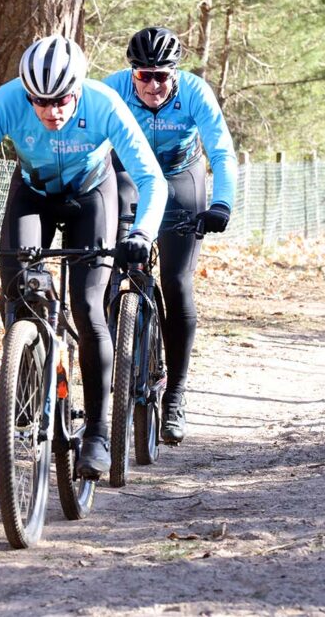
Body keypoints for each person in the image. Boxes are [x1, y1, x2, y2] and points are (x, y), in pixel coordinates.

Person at [0, 35, 167, 478]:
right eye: (40, 101)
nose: (52, 112)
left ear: (78, 90)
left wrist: (143, 233)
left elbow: (151, 179)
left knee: (88, 306)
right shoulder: (5, 102)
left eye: (62, 100)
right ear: (26, 94)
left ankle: (97, 433)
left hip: (92, 196)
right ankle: (28, 382)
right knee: (17, 292)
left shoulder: (104, 104)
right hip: (33, 195)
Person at [103, 26, 237, 446]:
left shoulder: (195, 93)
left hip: (182, 177)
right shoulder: (111, 89)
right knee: (105, 272)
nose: (153, 86)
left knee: (177, 283)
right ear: (132, 74)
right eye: (144, 76)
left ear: (175, 74)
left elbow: (221, 151)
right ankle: (108, 376)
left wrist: (222, 204)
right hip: (128, 176)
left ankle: (175, 395)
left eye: (162, 76)